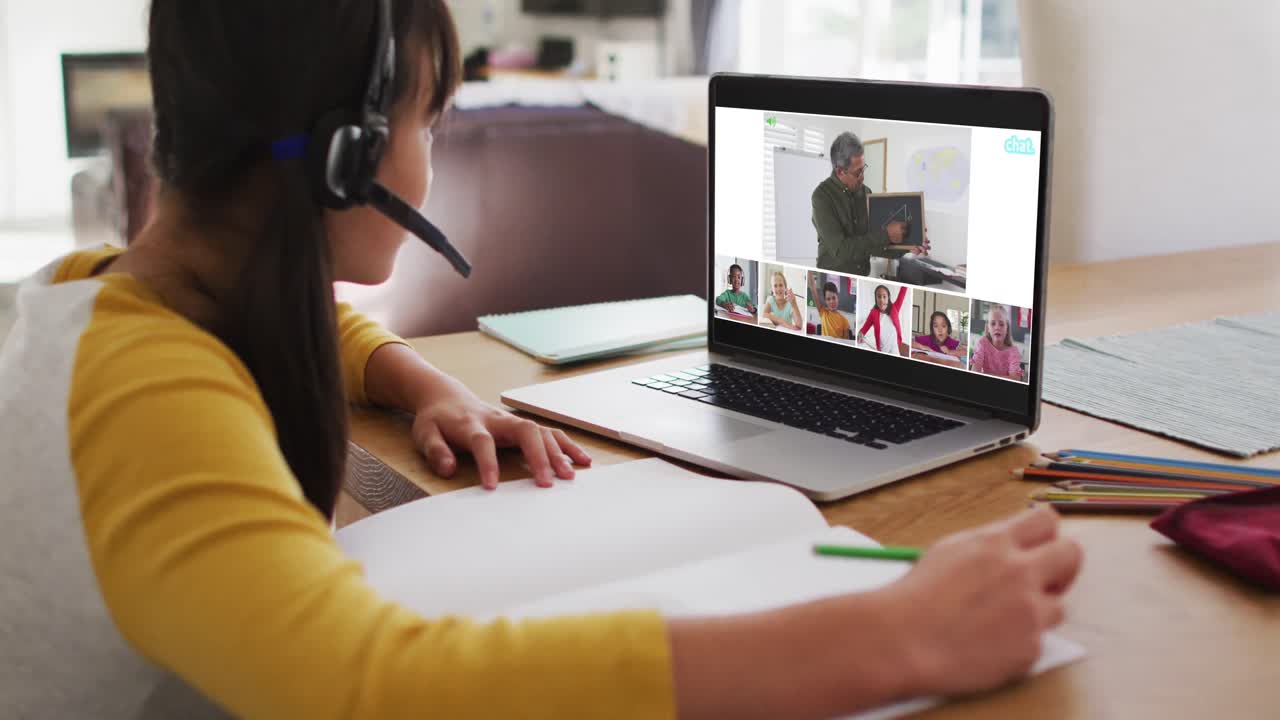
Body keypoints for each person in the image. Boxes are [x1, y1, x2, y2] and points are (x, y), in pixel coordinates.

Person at [0, 2, 1081, 718]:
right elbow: (369, 690)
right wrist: (895, 636)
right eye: (432, 122)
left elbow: (293, 321)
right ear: (346, 158)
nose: (431, 157)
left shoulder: (102, 298)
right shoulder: (150, 399)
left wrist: (422, 381)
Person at [812, 132, 930, 276]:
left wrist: (908, 245)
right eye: (857, 173)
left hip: (862, 277)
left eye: (863, 169)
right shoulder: (822, 196)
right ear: (840, 171)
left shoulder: (866, 192)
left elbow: (874, 246)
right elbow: (841, 250)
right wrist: (886, 235)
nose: (862, 177)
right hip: (832, 278)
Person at [971, 303, 1026, 380]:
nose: (997, 327)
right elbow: (975, 371)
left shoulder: (1013, 352)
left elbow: (1015, 378)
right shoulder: (983, 343)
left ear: (1007, 328)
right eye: (993, 323)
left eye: (1001, 324)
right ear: (988, 328)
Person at [858, 284, 909, 355]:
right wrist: (860, 334)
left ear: (888, 298)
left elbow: (903, 292)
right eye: (879, 297)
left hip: (894, 349)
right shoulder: (873, 313)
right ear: (876, 299)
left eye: (884, 297)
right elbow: (865, 328)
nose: (881, 300)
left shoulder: (895, 308)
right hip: (882, 350)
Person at [808, 273, 853, 339]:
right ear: (825, 301)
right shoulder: (823, 311)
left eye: (834, 298)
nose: (831, 301)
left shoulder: (844, 321)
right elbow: (812, 288)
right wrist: (809, 271)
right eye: (828, 299)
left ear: (837, 297)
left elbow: (846, 341)